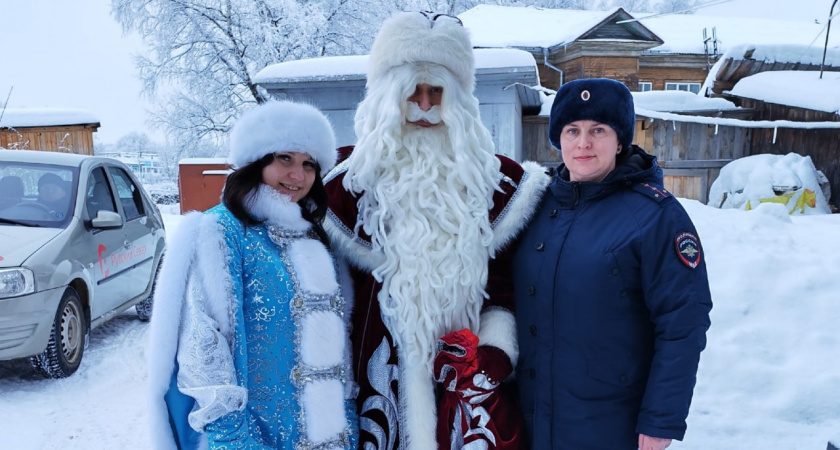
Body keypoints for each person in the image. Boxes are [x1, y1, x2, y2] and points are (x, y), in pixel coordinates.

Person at [323, 11, 550, 450]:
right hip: (375, 384)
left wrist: (495, 351)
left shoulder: (497, 186)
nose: (425, 105)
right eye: (413, 91)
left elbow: (504, 288)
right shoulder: (341, 187)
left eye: (437, 92)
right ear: (387, 95)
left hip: (466, 383)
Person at [512, 78, 713, 450]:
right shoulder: (533, 208)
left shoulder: (655, 216)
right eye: (572, 130)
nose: (583, 143)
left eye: (598, 130)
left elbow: (683, 323)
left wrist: (660, 422)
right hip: (528, 420)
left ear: (620, 140)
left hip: (608, 426)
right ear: (558, 138)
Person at [147, 101, 358, 450]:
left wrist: (345, 422)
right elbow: (203, 346)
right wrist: (232, 439)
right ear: (256, 162)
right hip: (253, 438)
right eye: (285, 159)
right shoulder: (222, 231)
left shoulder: (318, 238)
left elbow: (338, 350)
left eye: (309, 164)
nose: (298, 176)